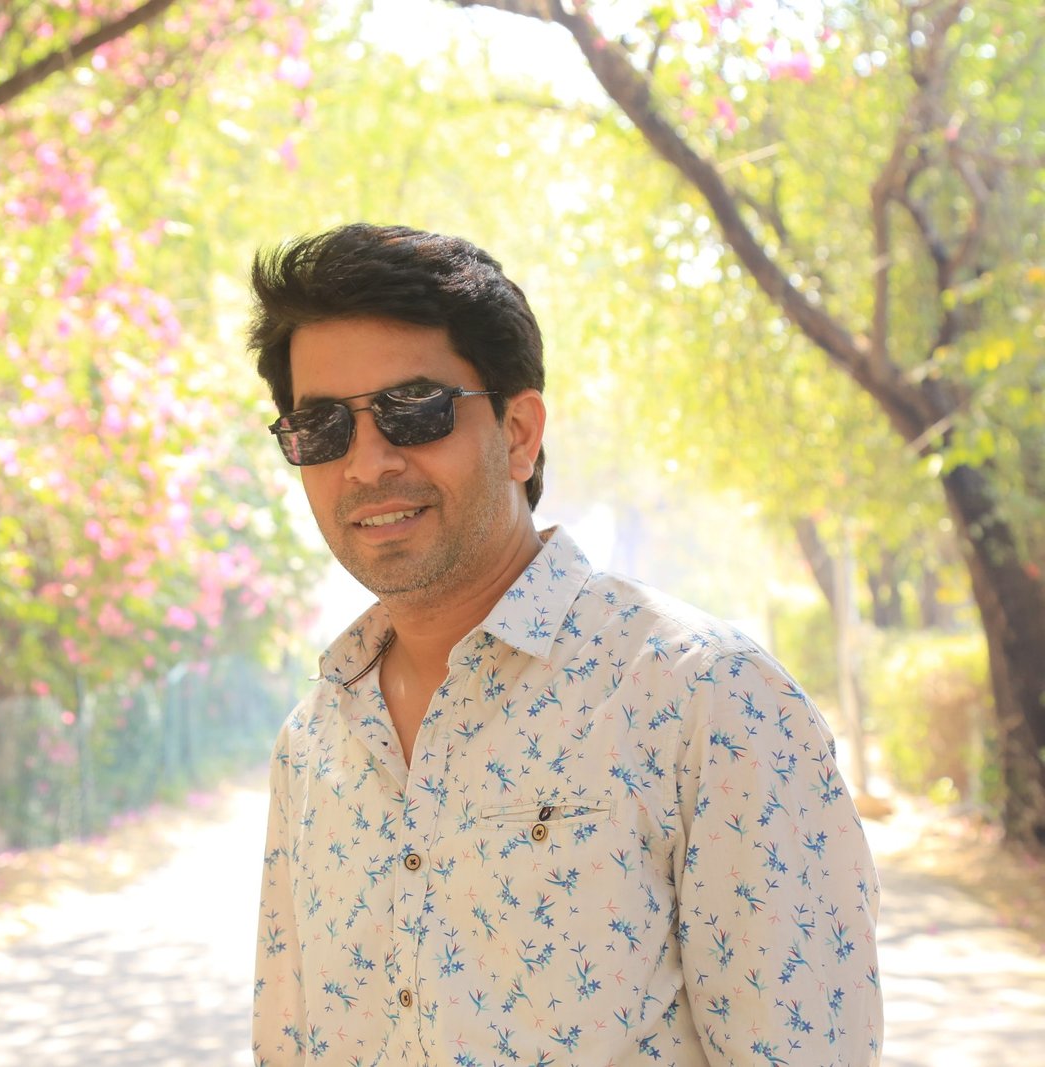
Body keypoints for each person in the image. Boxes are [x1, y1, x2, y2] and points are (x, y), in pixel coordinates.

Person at [246, 223, 882, 1066]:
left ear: (518, 432)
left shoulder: (709, 702)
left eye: (413, 410)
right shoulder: (313, 744)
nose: (366, 465)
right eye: (323, 428)